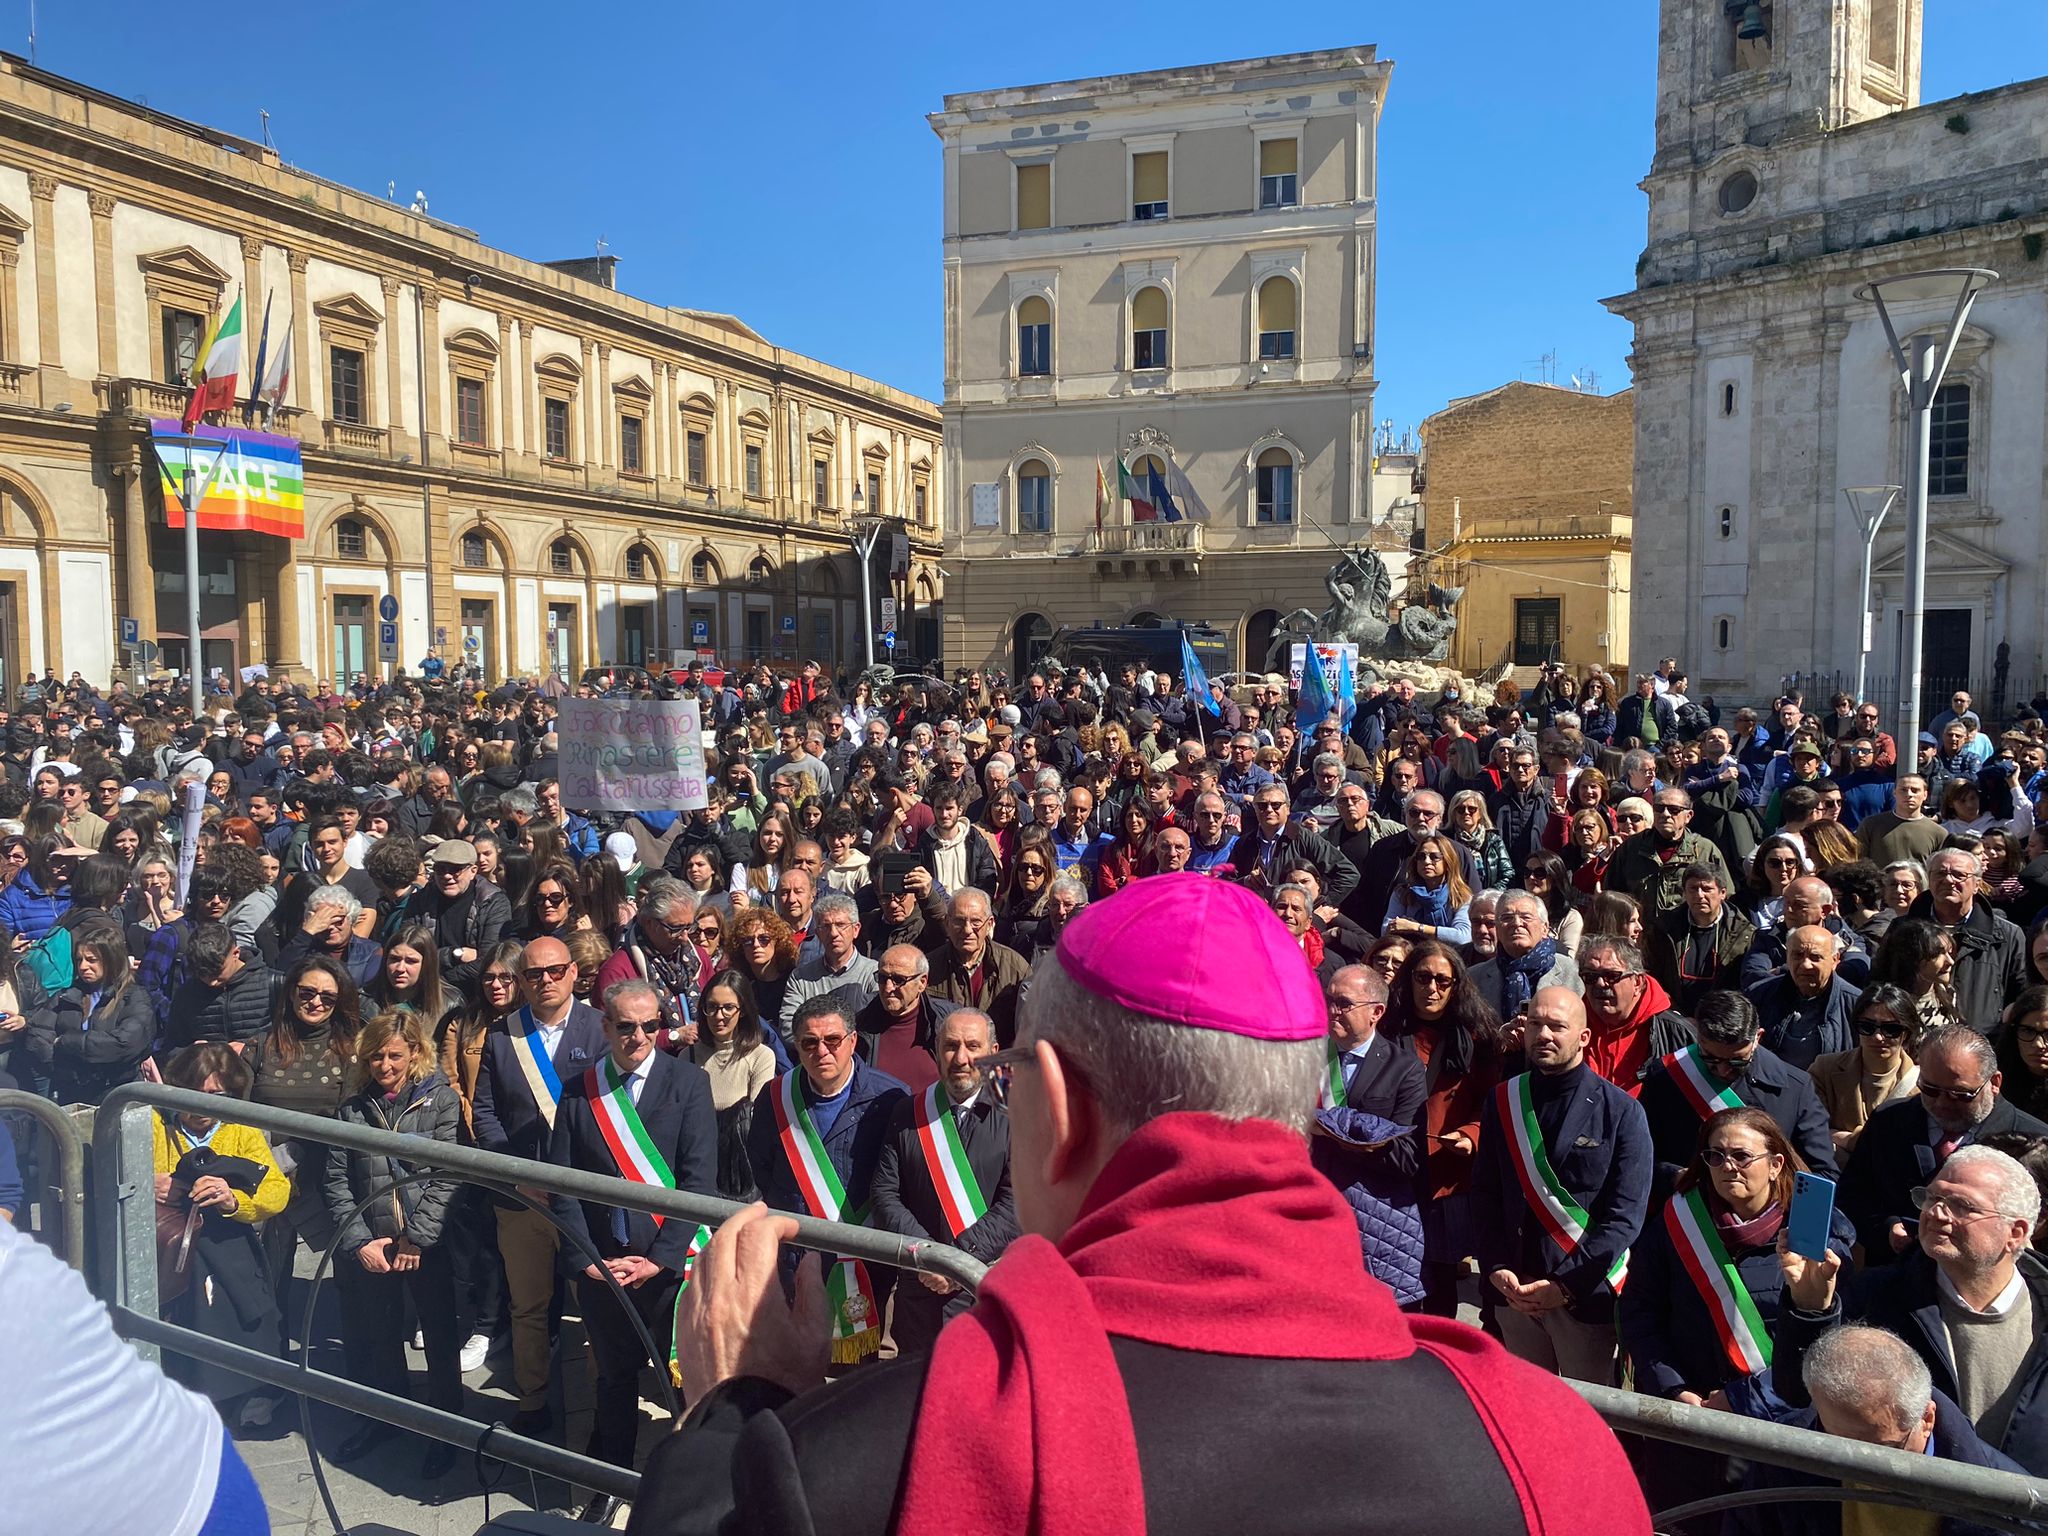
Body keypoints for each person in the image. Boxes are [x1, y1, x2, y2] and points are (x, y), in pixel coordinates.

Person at [643, 872, 1650, 1533]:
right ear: (1298, 1106)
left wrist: (733, 1415)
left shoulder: (859, 1462)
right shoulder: (1559, 1455)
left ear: (1054, 1104)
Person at [546, 976, 718, 1505]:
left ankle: (686, 1493)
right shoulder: (578, 1089)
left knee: (684, 1383)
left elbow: (697, 1183)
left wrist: (660, 1261)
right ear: (605, 1026)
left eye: (651, 1025)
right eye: (626, 1026)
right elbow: (563, 1183)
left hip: (670, 1267)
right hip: (604, 1267)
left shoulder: (688, 1083)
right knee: (614, 1379)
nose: (639, 1036)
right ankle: (612, 1484)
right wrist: (586, 1261)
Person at [1777, 1144, 2048, 1478]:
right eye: (1932, 1198)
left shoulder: (2042, 1311)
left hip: (2024, 1518)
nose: (1936, 1213)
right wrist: (1810, 1308)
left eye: (1961, 1205)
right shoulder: (1877, 1296)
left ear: (2016, 1233)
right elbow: (1799, 1394)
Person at [1474, 986, 1652, 1383]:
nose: (1544, 1035)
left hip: (1583, 1298)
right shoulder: (1502, 1100)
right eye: (1535, 1024)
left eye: (1557, 1026)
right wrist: (1496, 1266)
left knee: (1587, 1420)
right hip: (1514, 1291)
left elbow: (1625, 1217)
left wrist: (1565, 1287)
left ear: (1583, 1037)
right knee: (1528, 1414)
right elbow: (1485, 1194)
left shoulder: (1623, 1112)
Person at [1620, 1106, 1854, 1406]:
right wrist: (1671, 1387)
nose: (1728, 1166)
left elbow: (1836, 1340)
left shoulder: (1818, 1239)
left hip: (1782, 1417)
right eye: (1716, 1156)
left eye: (1741, 1156)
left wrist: (1742, 1399)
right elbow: (1640, 1310)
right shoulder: (1676, 1221)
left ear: (1775, 1165)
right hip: (1691, 1408)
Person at [470, 934, 605, 1435]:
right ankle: (533, 1401)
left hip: (584, 1198)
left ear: (573, 973)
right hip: (520, 1198)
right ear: (520, 981)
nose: (544, 981)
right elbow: (484, 1112)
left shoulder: (601, 1028)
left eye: (554, 971)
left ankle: (601, 1402)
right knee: (527, 1306)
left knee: (593, 1304)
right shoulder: (504, 1035)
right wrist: (519, 1177)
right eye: (532, 974)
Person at [322, 1007, 465, 1477]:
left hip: (427, 1241)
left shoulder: (439, 1100)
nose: (385, 1066)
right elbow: (338, 1180)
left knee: (440, 1337)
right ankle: (389, 1417)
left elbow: (447, 1174)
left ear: (415, 1054)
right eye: (377, 1057)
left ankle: (447, 1427)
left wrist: (417, 1239)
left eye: (394, 1056)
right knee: (379, 1335)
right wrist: (360, 1241)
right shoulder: (353, 1108)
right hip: (376, 1242)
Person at [1727, 1322, 2030, 1536]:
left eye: (1883, 1450)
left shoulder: (2012, 1501)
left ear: (1927, 1418)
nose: (1860, 1467)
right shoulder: (1787, 1456)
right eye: (1836, 1446)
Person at [744, 993, 908, 1372]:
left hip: (867, 1257)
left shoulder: (889, 1098)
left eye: (832, 1040)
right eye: (810, 1042)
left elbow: (897, 1178)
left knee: (863, 1374)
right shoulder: (775, 1097)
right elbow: (761, 1167)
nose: (822, 1051)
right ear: (796, 1047)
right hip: (799, 1254)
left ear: (852, 1041)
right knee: (800, 1363)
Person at [150, 1041, 289, 1433]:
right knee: (181, 1319)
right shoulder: (154, 1123)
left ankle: (258, 1391)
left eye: (217, 1096)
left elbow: (276, 1190)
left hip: (227, 1242)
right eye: (195, 1094)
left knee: (248, 1316)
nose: (203, 1106)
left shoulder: (239, 1130)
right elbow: (114, 1172)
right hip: (172, 1244)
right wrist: (146, 1181)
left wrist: (233, 1199)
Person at [869, 1006, 1018, 1356]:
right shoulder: (909, 1112)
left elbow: (1019, 1203)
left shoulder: (1019, 1111)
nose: (961, 1058)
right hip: (918, 1291)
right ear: (937, 1051)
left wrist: (957, 1262)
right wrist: (929, 1258)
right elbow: (885, 1194)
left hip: (986, 1288)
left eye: (972, 1046)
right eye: (951, 1046)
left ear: (993, 1053)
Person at [1839, 1024, 2048, 1263]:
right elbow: (1853, 1194)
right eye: (1930, 1090)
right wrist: (1886, 1228)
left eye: (1960, 1094)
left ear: (1994, 1082)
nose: (1943, 1103)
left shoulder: (2033, 1142)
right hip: (1896, 1281)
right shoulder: (1890, 1121)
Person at [1311, 964, 1427, 1308]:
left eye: (1344, 1003)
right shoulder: (1303, 1055)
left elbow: (1407, 1156)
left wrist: (1333, 1128)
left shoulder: (1403, 1069)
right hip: (1310, 1216)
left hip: (1373, 1226)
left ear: (1376, 1012)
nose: (1333, 1010)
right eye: (1329, 1000)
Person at [1635, 989, 1838, 1182]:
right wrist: (1675, 1176)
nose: (1723, 1070)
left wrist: (1767, 1187)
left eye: (1737, 1061)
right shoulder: (1667, 1075)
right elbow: (1639, 1156)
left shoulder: (1796, 1088)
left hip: (1771, 1213)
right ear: (1699, 1037)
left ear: (1757, 1038)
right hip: (1688, 1210)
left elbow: (1823, 1174)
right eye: (1710, 1059)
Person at [27, 917, 152, 1103]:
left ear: (111, 960)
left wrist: (65, 1042)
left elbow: (125, 1043)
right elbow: (38, 1034)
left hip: (115, 1094)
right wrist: (66, 1068)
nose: (83, 966)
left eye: (91, 960)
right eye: (79, 960)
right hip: (71, 1091)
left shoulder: (134, 997)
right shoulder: (67, 995)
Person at [1911, 848, 2029, 1041]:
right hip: (1917, 1049)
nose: (1948, 880)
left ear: (1976, 884)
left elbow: (2022, 995)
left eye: (1958, 875)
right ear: (1929, 880)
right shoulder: (1904, 930)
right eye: (1940, 873)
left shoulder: (2007, 935)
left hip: (1984, 1046)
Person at [690, 968, 778, 1201]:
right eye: (712, 1007)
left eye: (728, 1007)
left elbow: (759, 1121)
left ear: (744, 1011)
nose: (719, 1016)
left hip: (743, 1181)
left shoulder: (761, 1057)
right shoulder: (687, 1057)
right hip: (698, 1172)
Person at [1809, 982, 1923, 1155]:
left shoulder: (1925, 1085)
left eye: (1891, 1029)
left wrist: (1844, 1139)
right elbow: (1809, 1129)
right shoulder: (1824, 1069)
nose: (1878, 1037)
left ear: (1906, 1033)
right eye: (1867, 1027)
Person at [1575, 933, 1695, 1093]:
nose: (1600, 983)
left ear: (1637, 983)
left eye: (1611, 976)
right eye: (1590, 976)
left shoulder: (1676, 1032)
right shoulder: (1572, 1026)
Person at [395, 838, 512, 994]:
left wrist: (439, 980)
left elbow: (489, 961)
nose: (447, 876)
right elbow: (408, 951)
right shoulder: (420, 900)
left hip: (476, 992)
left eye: (455, 869)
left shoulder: (493, 902)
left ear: (473, 871)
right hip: (426, 990)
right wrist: (453, 955)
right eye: (440, 869)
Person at [1745, 924, 1863, 1070]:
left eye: (1815, 957)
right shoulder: (1759, 994)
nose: (1806, 965)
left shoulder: (1856, 1004)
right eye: (1798, 955)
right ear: (1787, 958)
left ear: (1835, 960)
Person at [926, 887, 1030, 1046]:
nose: (967, 930)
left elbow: (1029, 1028)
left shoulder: (1016, 968)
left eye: (975, 922)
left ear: (990, 924)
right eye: (958, 921)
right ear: (947, 923)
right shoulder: (929, 969)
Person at [1608, 788, 1733, 919]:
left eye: (1674, 810)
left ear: (1688, 816)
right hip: (1641, 932)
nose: (1665, 814)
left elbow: (1725, 896)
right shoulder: (1631, 847)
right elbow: (1613, 894)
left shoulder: (1705, 850)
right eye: (1659, 808)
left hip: (1686, 933)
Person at [1466, 887, 1580, 1020]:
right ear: (1497, 928)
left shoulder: (1571, 971)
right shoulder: (1474, 978)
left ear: (1545, 928)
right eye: (1507, 918)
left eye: (1526, 917)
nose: (1517, 923)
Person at [777, 891, 879, 1038]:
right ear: (817, 933)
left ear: (856, 930)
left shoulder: (874, 973)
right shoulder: (801, 977)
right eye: (826, 926)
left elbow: (875, 1028)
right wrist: (822, 1044)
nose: (833, 933)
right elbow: (788, 1028)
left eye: (841, 925)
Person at [1381, 831, 1473, 945]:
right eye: (1421, 856)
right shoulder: (1403, 893)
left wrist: (1416, 928)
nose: (1426, 861)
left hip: (1447, 956)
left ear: (1448, 862)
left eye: (1435, 857)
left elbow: (1463, 936)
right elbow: (1386, 930)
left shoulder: (1461, 896)